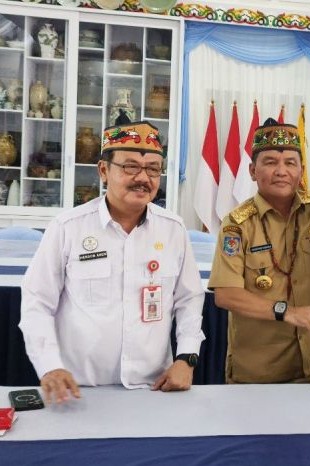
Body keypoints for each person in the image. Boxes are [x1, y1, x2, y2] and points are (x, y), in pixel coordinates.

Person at [20, 121, 205, 403]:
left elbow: (189, 299)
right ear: (104, 171)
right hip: (80, 391)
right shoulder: (68, 227)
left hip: (153, 388)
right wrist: (49, 365)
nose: (143, 178)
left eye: (153, 169)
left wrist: (186, 358)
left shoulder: (173, 229)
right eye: (130, 166)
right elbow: (37, 302)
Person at [209, 118, 310, 383]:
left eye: (290, 163)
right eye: (270, 162)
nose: (281, 171)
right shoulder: (238, 224)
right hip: (260, 372)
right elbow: (226, 295)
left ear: (301, 171)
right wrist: (287, 312)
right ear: (253, 171)